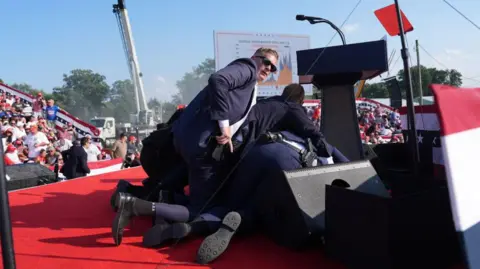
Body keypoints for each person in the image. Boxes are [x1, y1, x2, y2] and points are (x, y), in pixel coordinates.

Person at [111, 47, 279, 246]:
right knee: (200, 208)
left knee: (184, 184)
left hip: (191, 141)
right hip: (202, 146)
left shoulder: (250, 80)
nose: (269, 69)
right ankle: (135, 206)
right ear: (255, 58)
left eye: (274, 68)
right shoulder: (247, 67)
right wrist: (224, 125)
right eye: (266, 62)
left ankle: (144, 197)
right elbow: (219, 80)